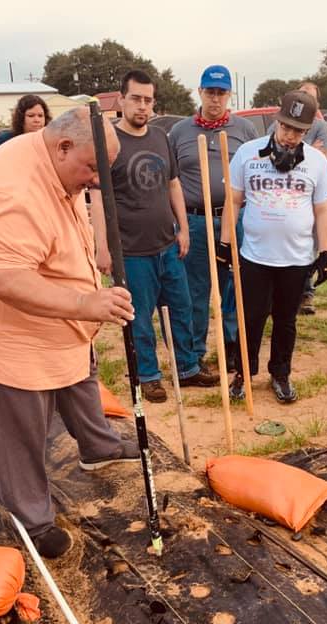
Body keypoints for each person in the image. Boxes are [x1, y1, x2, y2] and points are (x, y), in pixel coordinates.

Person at [0, 107, 140, 559]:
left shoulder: (52, 160)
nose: (94, 181)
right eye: (92, 168)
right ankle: (31, 516)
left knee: (79, 375)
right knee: (19, 423)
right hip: (6, 327)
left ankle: (98, 446)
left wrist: (84, 299)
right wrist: (86, 302)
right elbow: (5, 278)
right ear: (63, 146)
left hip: (58, 312)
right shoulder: (12, 190)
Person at [222, 91, 327, 403]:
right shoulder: (248, 154)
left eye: (298, 131)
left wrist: (325, 252)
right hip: (254, 257)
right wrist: (225, 242)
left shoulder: (316, 161)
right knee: (251, 319)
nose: (290, 137)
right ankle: (243, 374)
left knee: (286, 320)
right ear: (277, 121)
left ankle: (281, 373)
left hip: (296, 259)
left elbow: (324, 208)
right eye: (286, 128)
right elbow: (233, 201)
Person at [110, 70, 219, 402]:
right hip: (131, 249)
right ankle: (149, 375)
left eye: (148, 100)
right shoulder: (110, 143)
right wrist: (104, 248)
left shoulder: (160, 137)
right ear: (121, 100)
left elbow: (173, 184)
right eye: (136, 99)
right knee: (140, 315)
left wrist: (183, 228)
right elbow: (100, 199)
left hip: (167, 244)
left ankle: (186, 367)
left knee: (181, 307)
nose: (142, 106)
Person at [168, 64, 259, 372]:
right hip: (195, 221)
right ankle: (194, 352)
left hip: (233, 220)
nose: (215, 99)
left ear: (229, 95)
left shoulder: (244, 131)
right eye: (210, 92)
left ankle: (232, 347)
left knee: (234, 285)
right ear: (200, 93)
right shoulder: (180, 132)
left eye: (221, 93)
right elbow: (171, 180)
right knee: (195, 290)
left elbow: (255, 173)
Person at [267, 81, 327, 316]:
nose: (291, 135)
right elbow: (272, 154)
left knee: (307, 247)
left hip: (307, 199)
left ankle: (306, 293)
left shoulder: (323, 128)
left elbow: (321, 155)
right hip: (277, 198)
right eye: (302, 95)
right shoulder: (275, 127)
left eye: (311, 98)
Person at [0, 94, 51, 170]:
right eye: (31, 116)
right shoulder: (6, 139)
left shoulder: (48, 141)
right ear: (21, 118)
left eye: (40, 116)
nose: (37, 120)